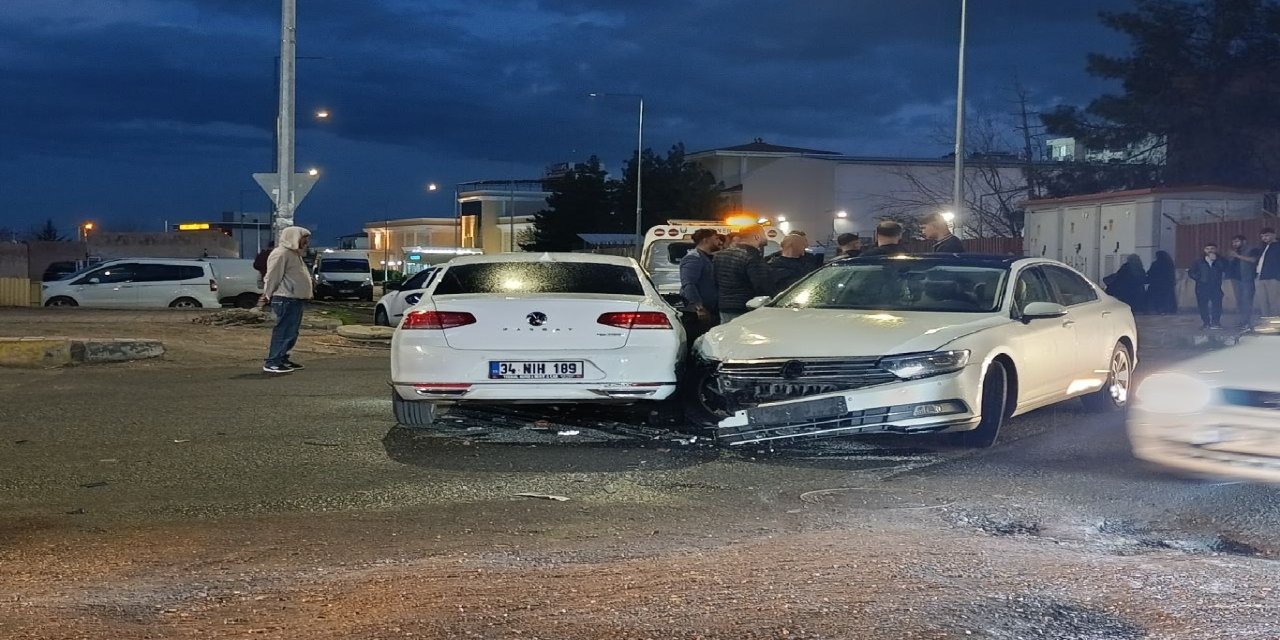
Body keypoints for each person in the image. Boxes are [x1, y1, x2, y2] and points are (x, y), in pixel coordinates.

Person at [262, 227, 314, 374]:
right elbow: (272, 276)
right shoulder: (281, 254)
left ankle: (282, 357)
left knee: (291, 331)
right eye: (304, 237)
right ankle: (273, 361)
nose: (306, 241)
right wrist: (267, 294)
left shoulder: (294, 254)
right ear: (294, 237)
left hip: (294, 299)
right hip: (285, 298)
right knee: (283, 330)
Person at [713, 224, 776, 324]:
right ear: (756, 236)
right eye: (763, 234)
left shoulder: (720, 255)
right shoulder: (753, 257)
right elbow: (761, 285)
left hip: (724, 307)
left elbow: (715, 281)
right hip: (746, 308)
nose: (765, 237)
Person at [678, 229, 722, 340]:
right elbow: (689, 284)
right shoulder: (694, 258)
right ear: (706, 240)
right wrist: (699, 307)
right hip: (698, 314)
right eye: (716, 238)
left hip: (709, 311)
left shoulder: (706, 257)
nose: (719, 242)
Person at [1188, 243, 1227, 330]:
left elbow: (1225, 268)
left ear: (1216, 250)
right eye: (1207, 248)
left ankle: (1216, 323)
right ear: (1204, 250)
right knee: (1203, 305)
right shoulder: (1198, 260)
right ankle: (1206, 323)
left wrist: (1216, 260)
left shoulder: (1221, 259)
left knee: (1217, 305)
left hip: (1216, 286)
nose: (1210, 250)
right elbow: (1191, 272)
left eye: (1212, 248)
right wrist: (1198, 278)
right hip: (1202, 286)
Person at [1224, 234, 1257, 328]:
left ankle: (1247, 322)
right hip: (1235, 279)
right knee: (1239, 301)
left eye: (1237, 241)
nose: (1234, 244)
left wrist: (1237, 256)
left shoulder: (1251, 249)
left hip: (1247, 279)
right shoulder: (1233, 251)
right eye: (1233, 242)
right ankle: (1242, 321)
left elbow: (1253, 260)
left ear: (1244, 241)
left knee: (1247, 300)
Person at [1254, 227, 1280, 317]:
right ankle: (1266, 321)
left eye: (1267, 236)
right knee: (1262, 301)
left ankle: (1274, 322)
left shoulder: (1278, 246)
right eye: (1262, 236)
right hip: (1260, 277)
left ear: (1274, 235)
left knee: (1274, 301)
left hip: (1273, 277)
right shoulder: (1264, 247)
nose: (1264, 238)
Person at [1145, 251, 1178, 315]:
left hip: (1156, 284)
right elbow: (1171, 275)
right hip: (1167, 284)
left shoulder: (1156, 264)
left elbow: (1150, 273)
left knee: (1154, 297)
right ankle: (1166, 309)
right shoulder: (1169, 263)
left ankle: (1156, 309)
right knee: (1167, 298)